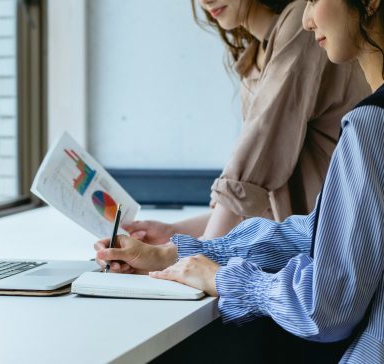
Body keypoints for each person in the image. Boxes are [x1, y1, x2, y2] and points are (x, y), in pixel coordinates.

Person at [96, 0, 384, 362]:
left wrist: (223, 279)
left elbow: (326, 308)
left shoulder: (376, 123)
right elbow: (317, 233)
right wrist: (178, 254)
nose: (306, 19)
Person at [121, 0, 369, 245]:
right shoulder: (255, 58)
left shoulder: (302, 27)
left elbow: (253, 162)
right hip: (304, 243)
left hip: (342, 242)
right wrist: (174, 233)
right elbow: (258, 201)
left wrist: (194, 249)